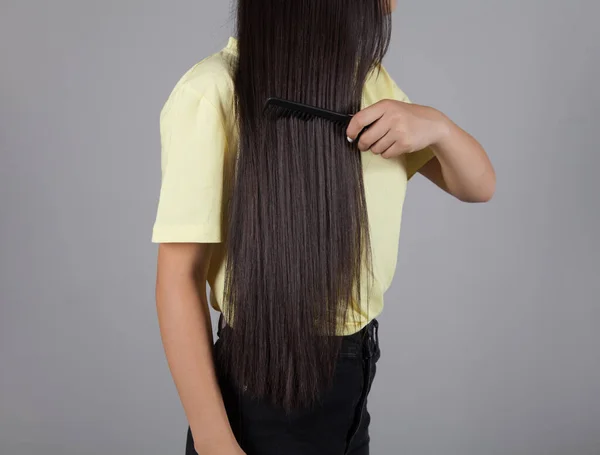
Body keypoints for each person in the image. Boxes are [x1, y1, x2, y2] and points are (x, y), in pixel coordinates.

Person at [152, 1, 495, 454]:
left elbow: (479, 186)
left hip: (352, 383)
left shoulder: (368, 83)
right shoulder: (214, 90)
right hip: (263, 385)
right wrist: (216, 444)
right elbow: (178, 278)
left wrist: (438, 127)